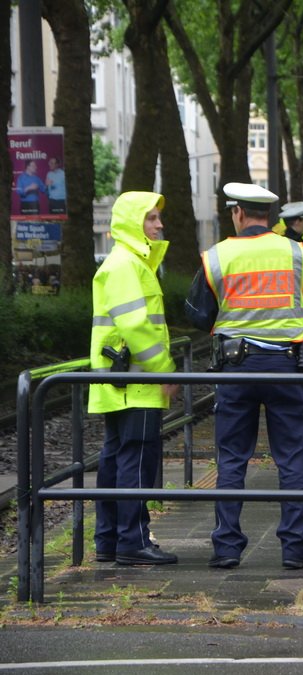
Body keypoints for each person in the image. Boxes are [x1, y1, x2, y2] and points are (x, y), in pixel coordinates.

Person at [185, 182, 303, 570]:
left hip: (236, 369)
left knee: (231, 459)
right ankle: (295, 548)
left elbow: (196, 313)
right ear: (271, 217)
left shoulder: (218, 256)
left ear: (237, 213)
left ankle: (226, 547)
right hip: (286, 370)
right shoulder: (297, 253)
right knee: (291, 459)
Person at [88, 191, 179, 566]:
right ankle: (133, 542)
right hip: (137, 383)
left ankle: (109, 540)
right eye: (151, 218)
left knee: (115, 459)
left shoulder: (125, 261)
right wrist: (167, 370)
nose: (159, 225)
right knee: (136, 461)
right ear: (132, 222)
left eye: (158, 218)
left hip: (122, 381)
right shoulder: (129, 264)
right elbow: (137, 324)